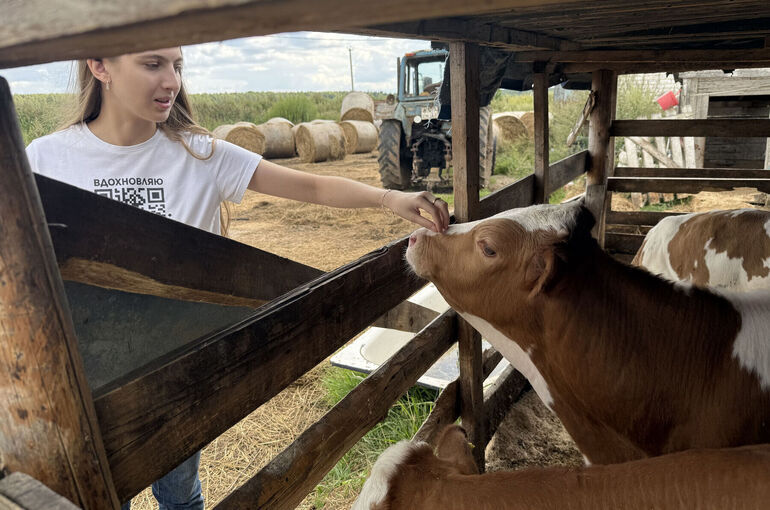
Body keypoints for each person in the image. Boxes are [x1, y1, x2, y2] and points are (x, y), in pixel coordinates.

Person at [25, 47, 450, 510]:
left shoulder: (200, 153)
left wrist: (389, 198)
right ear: (99, 65)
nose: (172, 81)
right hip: (91, 381)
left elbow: (310, 185)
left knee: (182, 497)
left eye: (177, 66)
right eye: (153, 65)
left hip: (183, 377)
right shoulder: (46, 160)